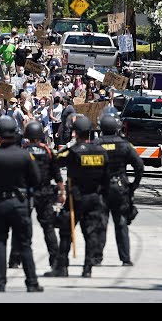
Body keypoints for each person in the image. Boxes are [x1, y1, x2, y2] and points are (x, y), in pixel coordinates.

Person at [0, 116, 44, 292]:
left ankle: (0, 283)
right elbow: (37, 180)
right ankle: (32, 283)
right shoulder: (25, 155)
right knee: (24, 244)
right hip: (20, 202)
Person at [47, 116, 110, 278]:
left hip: (76, 197)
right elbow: (106, 177)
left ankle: (62, 267)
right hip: (95, 197)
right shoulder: (101, 152)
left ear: (75, 132)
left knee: (66, 232)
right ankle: (87, 268)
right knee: (91, 234)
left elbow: (55, 161)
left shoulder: (73, 151)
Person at [93, 111, 144, 266]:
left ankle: (96, 258)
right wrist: (133, 186)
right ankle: (125, 258)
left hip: (102, 188)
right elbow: (139, 166)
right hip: (121, 188)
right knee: (121, 223)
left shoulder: (96, 144)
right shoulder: (124, 145)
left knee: (101, 224)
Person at [16, 121, 65, 271]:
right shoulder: (48, 151)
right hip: (45, 193)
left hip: (25, 193)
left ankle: (15, 258)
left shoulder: (22, 151)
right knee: (48, 228)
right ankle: (55, 260)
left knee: (21, 227)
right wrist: (62, 192)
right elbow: (57, 175)